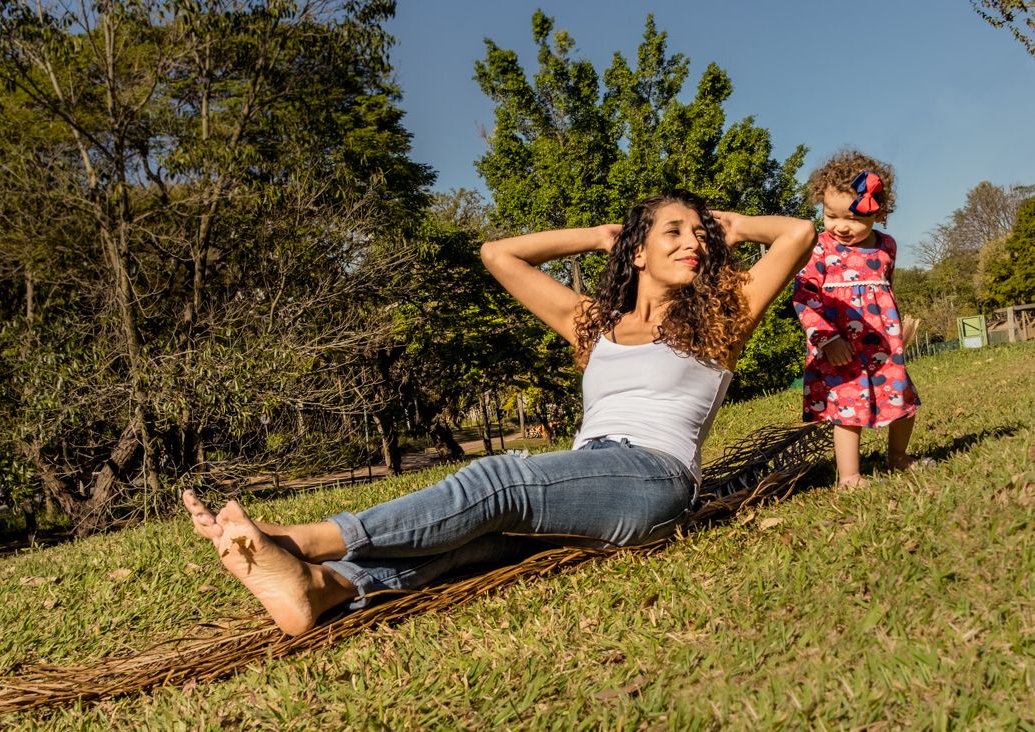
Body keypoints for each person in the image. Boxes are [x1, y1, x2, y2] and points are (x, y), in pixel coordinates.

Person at [184, 191, 816, 635]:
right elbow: (497, 254)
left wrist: (726, 224)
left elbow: (797, 233)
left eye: (699, 233)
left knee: (499, 479)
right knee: (476, 538)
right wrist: (601, 237)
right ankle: (324, 588)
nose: (693, 241)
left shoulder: (723, 312)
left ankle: (299, 540)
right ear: (638, 252)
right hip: (585, 473)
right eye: (672, 232)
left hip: (655, 477)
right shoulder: (591, 324)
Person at [792, 150, 923, 488]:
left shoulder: (887, 247)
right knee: (847, 410)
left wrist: (896, 329)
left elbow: (884, 292)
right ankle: (850, 476)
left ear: (878, 212)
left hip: (883, 346)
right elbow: (805, 298)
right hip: (840, 347)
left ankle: (897, 457)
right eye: (830, 215)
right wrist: (826, 339)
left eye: (852, 218)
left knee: (903, 400)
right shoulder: (819, 248)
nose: (840, 227)